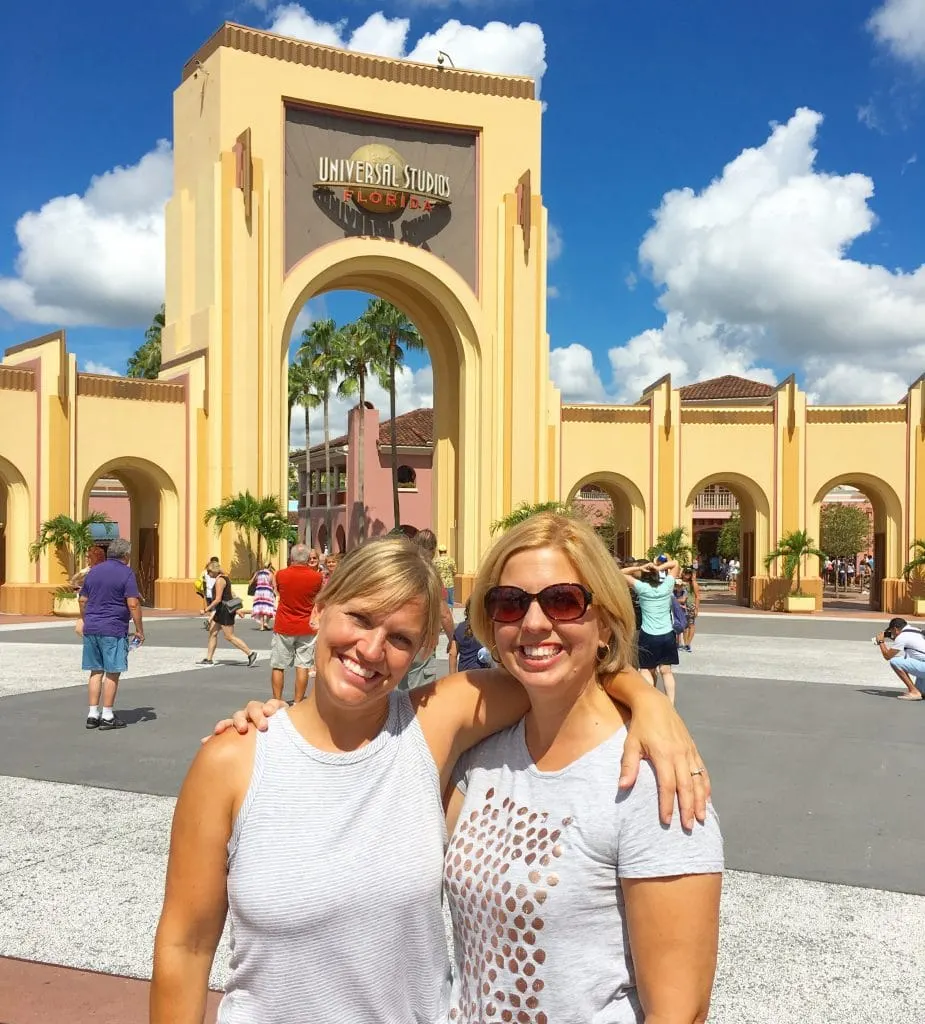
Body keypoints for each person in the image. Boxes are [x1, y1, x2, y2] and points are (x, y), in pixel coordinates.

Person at [154, 536, 711, 1023]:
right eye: (359, 617)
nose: (371, 649)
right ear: (319, 611)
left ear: (421, 653)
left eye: (400, 639)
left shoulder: (430, 726)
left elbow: (558, 669)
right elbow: (186, 943)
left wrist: (649, 703)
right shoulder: (235, 760)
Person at [445, 513, 722, 1022]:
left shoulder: (653, 780)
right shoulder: (480, 753)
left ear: (607, 623)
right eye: (509, 603)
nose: (533, 623)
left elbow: (680, 1011)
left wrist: (646, 698)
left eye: (563, 600)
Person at [78, 537, 144, 731]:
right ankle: (107, 715)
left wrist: (87, 618)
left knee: (95, 671)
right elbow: (133, 603)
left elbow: (82, 600)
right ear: (126, 555)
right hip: (113, 628)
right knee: (112, 672)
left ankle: (92, 714)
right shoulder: (126, 573)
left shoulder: (94, 571)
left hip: (92, 628)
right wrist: (139, 630)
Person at [401, 529, 455, 690]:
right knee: (419, 693)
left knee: (398, 690)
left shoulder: (401, 570)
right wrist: (453, 638)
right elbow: (444, 613)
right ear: (433, 550)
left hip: (398, 638)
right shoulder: (428, 574)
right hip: (423, 640)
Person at [622, 557, 681, 704]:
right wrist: (659, 567)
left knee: (646, 670)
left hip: (648, 635)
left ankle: (649, 703)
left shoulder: (642, 588)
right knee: (666, 671)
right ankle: (670, 705)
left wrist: (639, 568)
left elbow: (619, 573)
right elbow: (675, 564)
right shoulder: (666, 587)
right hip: (667, 634)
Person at [271, 543, 324, 703]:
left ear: (291, 558)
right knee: (303, 665)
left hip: (284, 624)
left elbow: (279, 591)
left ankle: (277, 701)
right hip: (306, 626)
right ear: (308, 558)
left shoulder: (281, 574)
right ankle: (298, 701)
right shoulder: (317, 577)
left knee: (278, 665)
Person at [199, 563, 257, 667]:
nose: (208, 574)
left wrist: (206, 609)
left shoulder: (220, 580)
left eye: (209, 572)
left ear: (214, 571)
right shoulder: (225, 578)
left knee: (229, 636)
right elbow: (230, 595)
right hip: (221, 611)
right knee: (213, 633)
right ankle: (209, 659)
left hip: (225, 611)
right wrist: (237, 609)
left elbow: (218, 599)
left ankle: (250, 654)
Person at [875, 617, 925, 701]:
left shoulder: (902, 637)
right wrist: (894, 637)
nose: (892, 634)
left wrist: (881, 642)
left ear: (895, 629)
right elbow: (910, 641)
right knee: (922, 692)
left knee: (895, 661)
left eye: (892, 632)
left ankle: (913, 692)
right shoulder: (915, 630)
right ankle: (918, 691)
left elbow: (887, 656)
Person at [448, 600, 492, 673]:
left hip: (464, 672)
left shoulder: (460, 628)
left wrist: (452, 676)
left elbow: (452, 654)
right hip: (482, 674)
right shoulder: (486, 628)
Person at [248, 561, 276, 631]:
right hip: (267, 592)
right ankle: (266, 622)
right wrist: (275, 592)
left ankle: (261, 626)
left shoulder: (258, 573)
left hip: (259, 592)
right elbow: (274, 585)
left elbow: (250, 581)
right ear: (270, 566)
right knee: (270, 608)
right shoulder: (270, 574)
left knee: (261, 609)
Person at [681, 566, 701, 652]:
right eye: (686, 573)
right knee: (684, 626)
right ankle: (685, 643)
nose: (687, 575)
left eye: (689, 573)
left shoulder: (693, 583)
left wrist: (696, 608)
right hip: (682, 606)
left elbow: (697, 596)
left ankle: (688, 643)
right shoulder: (680, 582)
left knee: (691, 624)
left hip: (690, 606)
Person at [433, 543, 457, 607]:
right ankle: (450, 614)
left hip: (440, 584)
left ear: (439, 552)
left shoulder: (435, 561)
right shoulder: (451, 560)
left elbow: (433, 573)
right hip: (450, 584)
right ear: (446, 551)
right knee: (450, 602)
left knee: (441, 603)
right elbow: (454, 572)